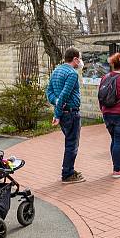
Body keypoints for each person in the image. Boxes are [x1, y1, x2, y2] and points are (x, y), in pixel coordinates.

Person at [46, 46, 85, 184]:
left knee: (69, 142)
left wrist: (56, 103)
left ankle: (69, 170)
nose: (80, 61)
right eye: (79, 58)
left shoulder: (57, 70)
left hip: (64, 113)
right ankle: (67, 174)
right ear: (75, 59)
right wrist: (57, 114)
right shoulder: (72, 73)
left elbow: (49, 92)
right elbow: (64, 95)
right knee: (72, 145)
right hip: (70, 113)